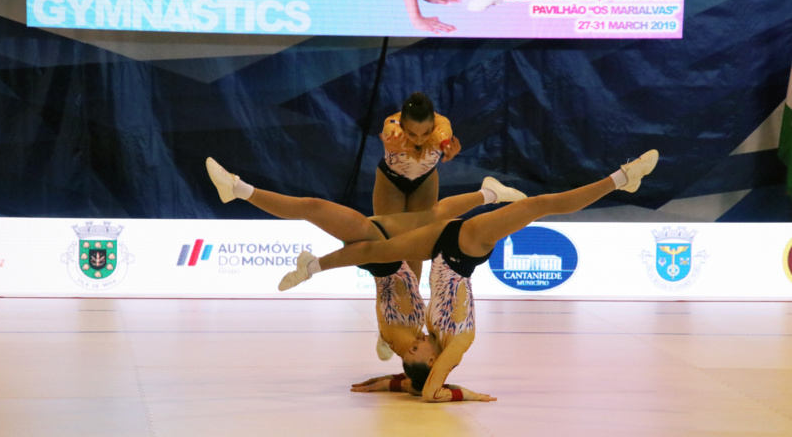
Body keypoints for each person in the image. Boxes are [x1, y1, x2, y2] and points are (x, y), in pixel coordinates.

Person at [278, 150, 660, 403]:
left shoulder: (431, 338)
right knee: (539, 206)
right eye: (415, 351)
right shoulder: (457, 346)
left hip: (439, 248)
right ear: (433, 361)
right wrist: (468, 395)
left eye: (408, 348)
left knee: (377, 248)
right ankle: (621, 178)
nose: (414, 343)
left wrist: (386, 384)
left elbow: (415, 385)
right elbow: (430, 393)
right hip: (464, 251)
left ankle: (312, 268)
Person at [204, 156, 525, 365]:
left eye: (421, 353)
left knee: (314, 208)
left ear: (418, 356)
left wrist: (391, 348)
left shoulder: (404, 336)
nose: (426, 345)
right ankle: (491, 194)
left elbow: (421, 368)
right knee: (433, 215)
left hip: (381, 253)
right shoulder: (421, 332)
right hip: (397, 252)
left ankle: (241, 191)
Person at [376, 91, 460, 282]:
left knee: (417, 241)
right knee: (386, 240)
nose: (419, 140)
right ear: (403, 124)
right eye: (412, 134)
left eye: (426, 133)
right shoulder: (393, 123)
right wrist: (392, 142)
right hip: (391, 180)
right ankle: (388, 292)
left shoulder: (441, 124)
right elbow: (390, 130)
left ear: (433, 125)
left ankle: (413, 294)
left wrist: (448, 148)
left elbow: (444, 137)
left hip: (424, 181)